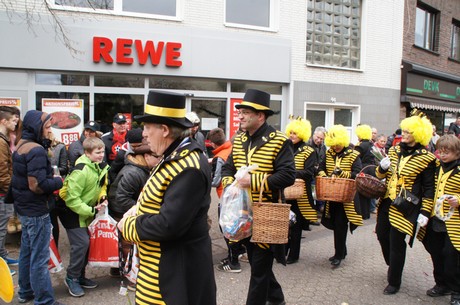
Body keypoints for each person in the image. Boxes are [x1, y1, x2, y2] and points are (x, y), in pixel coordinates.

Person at [117, 90, 216, 305]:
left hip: (173, 276)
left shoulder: (187, 165)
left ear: (164, 130)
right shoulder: (172, 156)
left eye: (147, 128)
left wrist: (129, 226)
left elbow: (169, 225)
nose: (143, 134)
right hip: (159, 269)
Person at [221, 89, 295, 305]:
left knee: (259, 268)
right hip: (241, 213)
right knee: (256, 261)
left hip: (266, 213)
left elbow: (288, 175)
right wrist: (232, 186)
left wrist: (251, 181)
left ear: (260, 116)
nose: (240, 116)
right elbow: (226, 170)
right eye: (240, 112)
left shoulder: (279, 141)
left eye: (245, 112)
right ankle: (277, 297)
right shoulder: (240, 139)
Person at [375, 109, 436, 295]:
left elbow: (429, 188)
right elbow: (380, 175)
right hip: (387, 202)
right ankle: (392, 265)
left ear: (419, 135)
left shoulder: (427, 159)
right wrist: (381, 168)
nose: (404, 135)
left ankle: (394, 281)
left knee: (397, 243)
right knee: (381, 234)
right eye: (404, 130)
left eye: (409, 132)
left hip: (406, 206)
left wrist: (425, 212)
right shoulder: (393, 151)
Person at [12, 110, 64, 305]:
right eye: (48, 126)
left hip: (24, 208)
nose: (50, 131)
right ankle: (44, 300)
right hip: (36, 210)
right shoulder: (36, 150)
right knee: (39, 258)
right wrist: (58, 181)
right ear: (37, 127)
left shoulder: (21, 144)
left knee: (26, 252)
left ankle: (25, 291)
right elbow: (36, 185)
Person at [58, 137, 109, 298]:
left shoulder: (100, 167)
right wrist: (92, 211)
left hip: (86, 210)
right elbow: (72, 199)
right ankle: (71, 277)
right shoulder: (81, 170)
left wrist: (102, 198)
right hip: (70, 211)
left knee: (87, 244)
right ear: (87, 153)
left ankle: (79, 276)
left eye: (102, 151)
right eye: (97, 152)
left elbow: (102, 186)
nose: (101, 155)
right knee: (81, 243)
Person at [107, 132, 158, 285]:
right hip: (120, 212)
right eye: (157, 157)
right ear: (146, 156)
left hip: (126, 210)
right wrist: (141, 208)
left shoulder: (142, 168)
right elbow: (121, 198)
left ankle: (119, 271)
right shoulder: (133, 172)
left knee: (126, 245)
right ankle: (130, 277)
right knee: (127, 246)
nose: (159, 160)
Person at [419, 134, 460, 305]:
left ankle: (457, 290)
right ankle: (441, 284)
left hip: (454, 223)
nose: (442, 155)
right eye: (440, 152)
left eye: (447, 153)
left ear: (457, 153)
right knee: (436, 254)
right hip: (436, 219)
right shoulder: (436, 167)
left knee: (452, 256)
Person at [318, 124, 363, 268]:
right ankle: (342, 251)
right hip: (331, 195)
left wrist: (342, 174)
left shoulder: (353, 155)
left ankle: (339, 254)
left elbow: (358, 174)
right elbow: (320, 168)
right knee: (335, 225)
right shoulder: (329, 153)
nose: (336, 146)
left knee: (341, 225)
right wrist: (324, 175)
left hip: (347, 198)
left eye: (338, 143)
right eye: (333, 143)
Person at [208, 128, 246, 273]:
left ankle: (233, 262)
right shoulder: (231, 149)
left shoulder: (221, 156)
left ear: (212, 143)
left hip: (228, 198)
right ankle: (238, 254)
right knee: (237, 227)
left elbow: (217, 179)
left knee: (228, 229)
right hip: (239, 196)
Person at [284, 117, 317, 264]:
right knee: (284, 224)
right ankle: (283, 251)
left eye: (295, 133)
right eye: (290, 132)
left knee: (296, 226)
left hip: (300, 195)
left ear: (302, 134)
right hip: (285, 192)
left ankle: (293, 255)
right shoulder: (285, 147)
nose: (292, 135)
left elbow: (309, 172)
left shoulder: (309, 151)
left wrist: (290, 173)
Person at [0, 106, 19, 275]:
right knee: (0, 228)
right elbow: (2, 172)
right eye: (13, 120)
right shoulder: (0, 142)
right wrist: (10, 192)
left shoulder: (5, 139)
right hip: (2, 193)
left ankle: (3, 257)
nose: (16, 123)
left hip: (4, 191)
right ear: (3, 121)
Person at [48, 132, 68, 248]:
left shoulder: (60, 147)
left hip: (57, 188)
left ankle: (54, 248)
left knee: (54, 220)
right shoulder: (38, 146)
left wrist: (50, 171)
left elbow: (64, 168)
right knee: (49, 220)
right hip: (45, 187)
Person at [354, 124, 374, 220]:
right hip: (371, 170)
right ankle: (366, 214)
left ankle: (360, 213)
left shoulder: (360, 146)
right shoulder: (371, 144)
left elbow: (355, 159)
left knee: (360, 193)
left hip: (362, 170)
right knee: (367, 193)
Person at [307, 126, 327, 213]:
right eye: (318, 137)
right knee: (311, 193)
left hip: (318, 173)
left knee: (318, 191)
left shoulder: (323, 147)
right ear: (313, 134)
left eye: (321, 139)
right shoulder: (307, 144)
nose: (319, 140)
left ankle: (319, 208)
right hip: (309, 173)